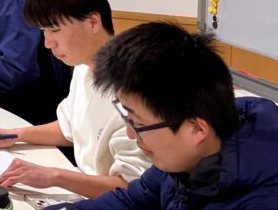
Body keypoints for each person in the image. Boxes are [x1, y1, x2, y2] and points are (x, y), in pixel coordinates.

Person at [49, 22, 278, 209]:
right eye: (129, 119)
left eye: (138, 124)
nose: (130, 134)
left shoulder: (260, 199)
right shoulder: (182, 160)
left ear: (197, 129)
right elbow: (131, 201)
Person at [0, 0, 149, 197]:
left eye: (55, 30)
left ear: (93, 22)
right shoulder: (82, 69)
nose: (48, 43)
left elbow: (132, 187)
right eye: (43, 31)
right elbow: (68, 128)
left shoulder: (134, 87)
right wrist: (12, 134)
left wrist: (54, 176)